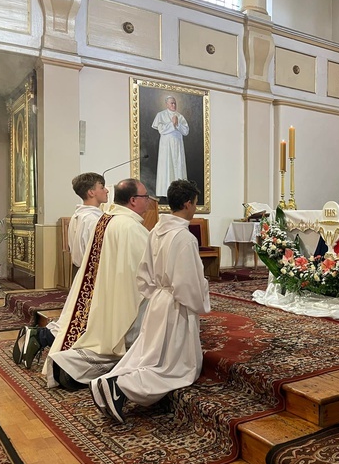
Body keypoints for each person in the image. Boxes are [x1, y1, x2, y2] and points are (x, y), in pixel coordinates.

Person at [91, 179, 210, 423]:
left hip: (158, 300)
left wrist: (154, 295)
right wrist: (200, 301)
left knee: (149, 353)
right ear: (187, 204)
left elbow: (143, 272)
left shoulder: (155, 230)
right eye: (195, 204)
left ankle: (110, 381)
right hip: (177, 304)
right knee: (177, 367)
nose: (195, 208)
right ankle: (121, 387)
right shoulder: (184, 238)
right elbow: (187, 283)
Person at [39, 179, 151, 390]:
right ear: (134, 200)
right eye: (146, 197)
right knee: (116, 344)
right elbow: (150, 270)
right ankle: (69, 368)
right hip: (119, 294)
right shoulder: (129, 227)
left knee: (98, 335)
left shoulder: (107, 219)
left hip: (104, 288)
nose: (149, 202)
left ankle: (63, 363)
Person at [13, 173, 108, 368]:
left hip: (82, 273)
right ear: (91, 192)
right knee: (78, 321)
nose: (106, 190)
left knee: (75, 319)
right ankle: (42, 337)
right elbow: (96, 252)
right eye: (102, 186)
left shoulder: (80, 215)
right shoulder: (92, 220)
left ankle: (40, 336)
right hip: (91, 276)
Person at [153, 96, 190, 197]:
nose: (173, 105)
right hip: (166, 146)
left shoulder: (180, 116)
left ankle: (180, 191)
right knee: (167, 166)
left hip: (178, 145)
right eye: (171, 103)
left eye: (175, 103)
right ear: (166, 104)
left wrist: (177, 124)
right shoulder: (160, 115)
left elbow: (186, 131)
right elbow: (161, 130)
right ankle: (165, 191)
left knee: (178, 166)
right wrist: (172, 124)